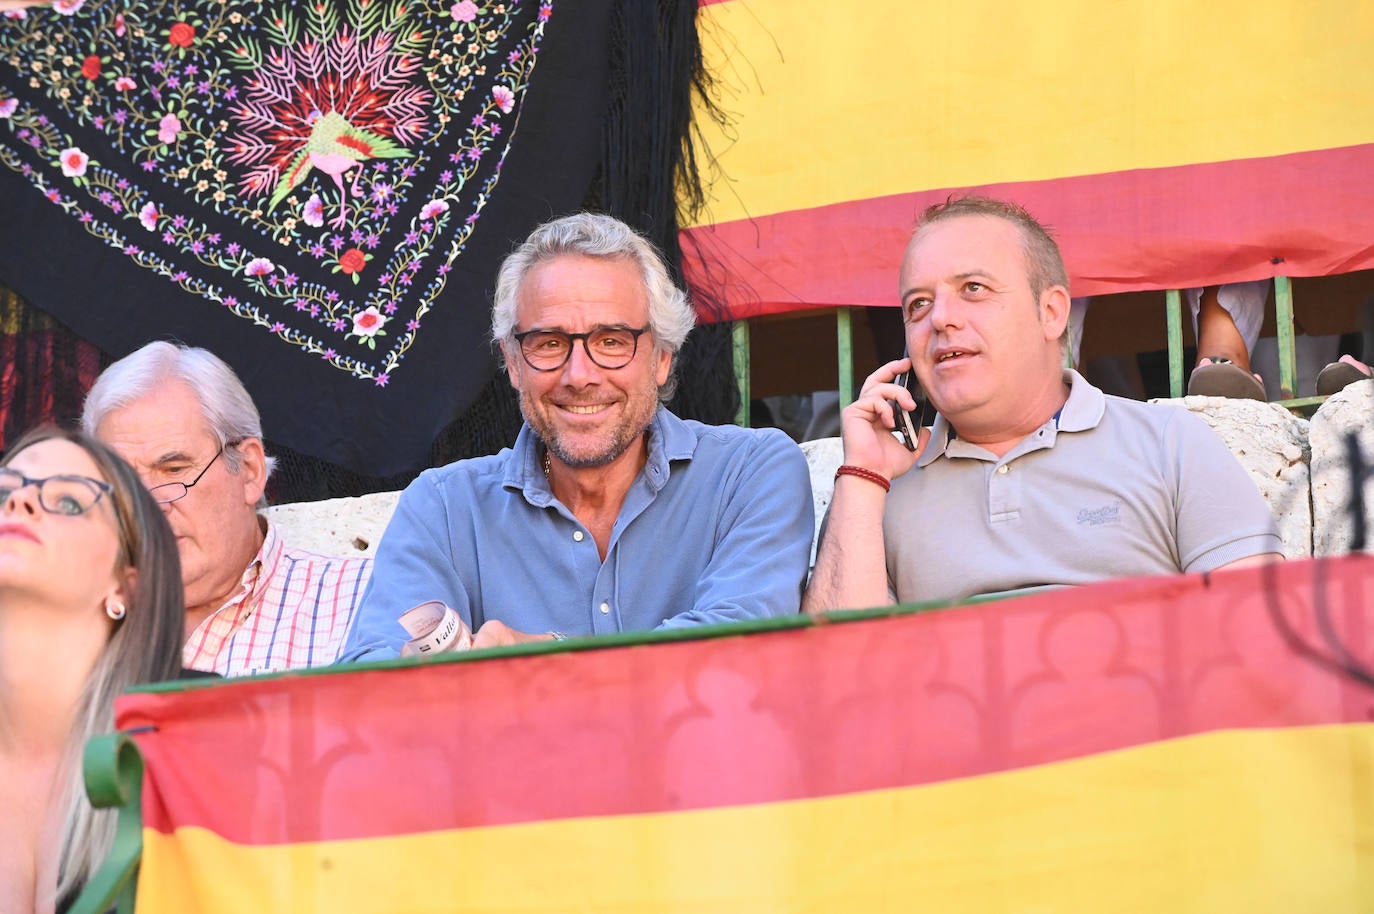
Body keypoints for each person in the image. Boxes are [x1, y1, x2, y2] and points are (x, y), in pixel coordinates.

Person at [341, 212, 813, 661]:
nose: (580, 375)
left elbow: (741, 649)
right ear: (512, 363)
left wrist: (546, 657)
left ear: (662, 357)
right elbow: (371, 679)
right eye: (549, 344)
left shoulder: (750, 473)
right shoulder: (443, 508)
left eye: (612, 341)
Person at [803, 196, 1284, 613]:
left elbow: (1259, 637)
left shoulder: (1170, 444)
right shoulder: (878, 485)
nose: (941, 319)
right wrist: (863, 477)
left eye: (973, 289)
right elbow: (835, 671)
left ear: (1051, 312)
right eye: (918, 305)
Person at [82, 342, 371, 676]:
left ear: (249, 470)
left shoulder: (365, 600)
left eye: (174, 470)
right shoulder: (65, 632)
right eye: (122, 482)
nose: (147, 509)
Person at [0, 428, 183, 913]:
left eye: (68, 500)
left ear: (126, 585)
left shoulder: (193, 736)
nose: (18, 503)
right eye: (4, 490)